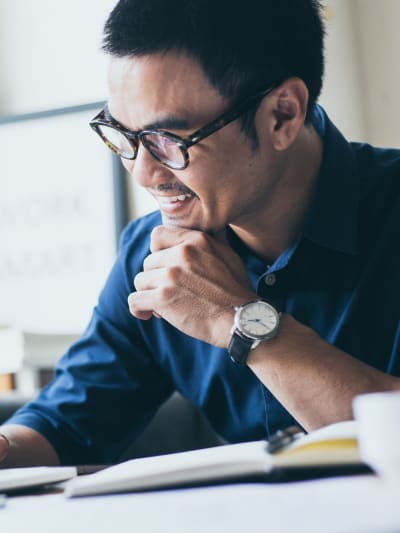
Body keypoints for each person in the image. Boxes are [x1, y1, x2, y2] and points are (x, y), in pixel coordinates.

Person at [0, 0, 399, 467]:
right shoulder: (149, 253)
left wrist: (245, 322)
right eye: (122, 135)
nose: (143, 173)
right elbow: (64, 425)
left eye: (168, 140)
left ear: (282, 116)